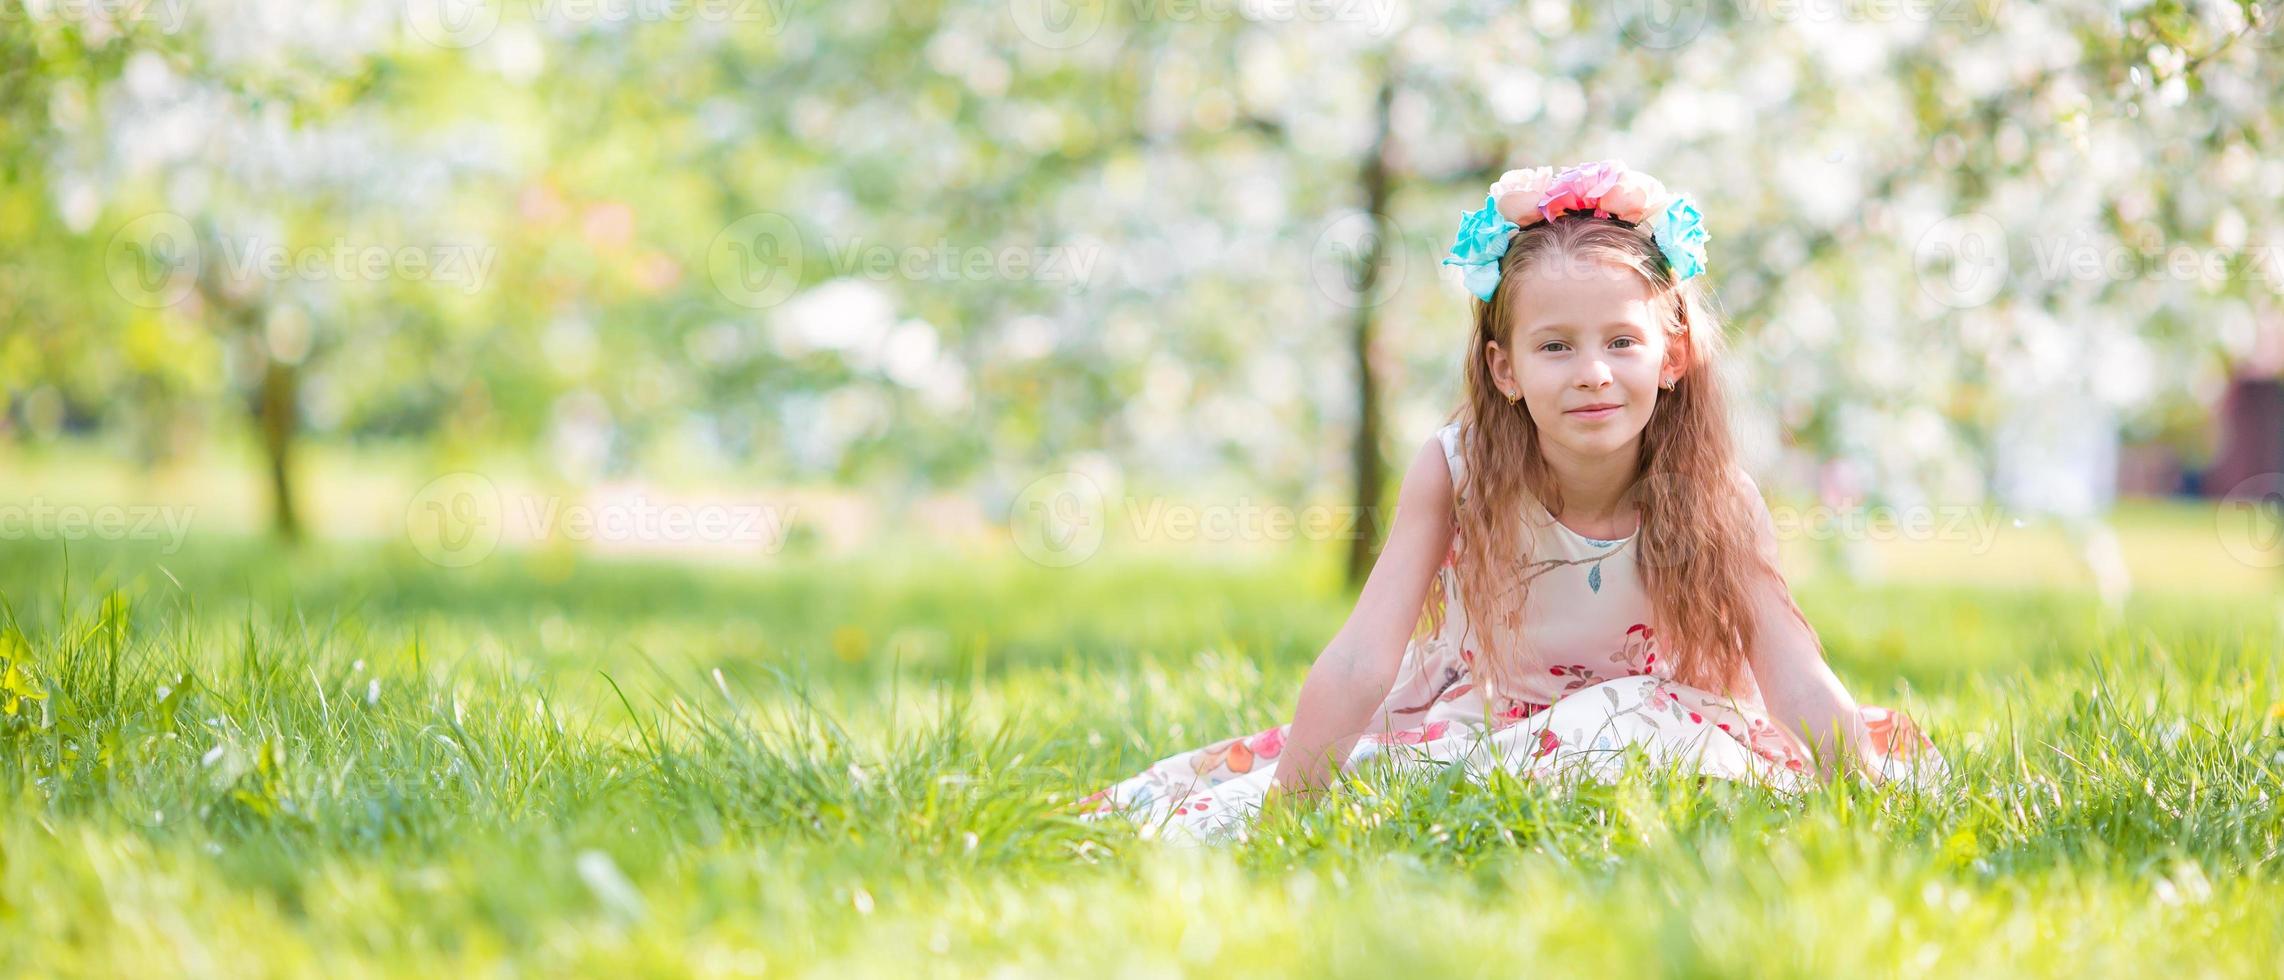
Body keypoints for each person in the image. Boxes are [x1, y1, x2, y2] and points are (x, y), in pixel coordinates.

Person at [1073, 161, 1945, 844]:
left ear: (1672, 356)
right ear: (1506, 369)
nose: (1594, 372)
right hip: (1498, 721)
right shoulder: (1455, 469)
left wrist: (1863, 796)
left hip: (1665, 719)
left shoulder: (1716, 495)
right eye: (1555, 346)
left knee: (1643, 721)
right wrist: (1287, 809)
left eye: (1622, 341)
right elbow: (1361, 659)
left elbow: (1791, 670)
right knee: (1325, 790)